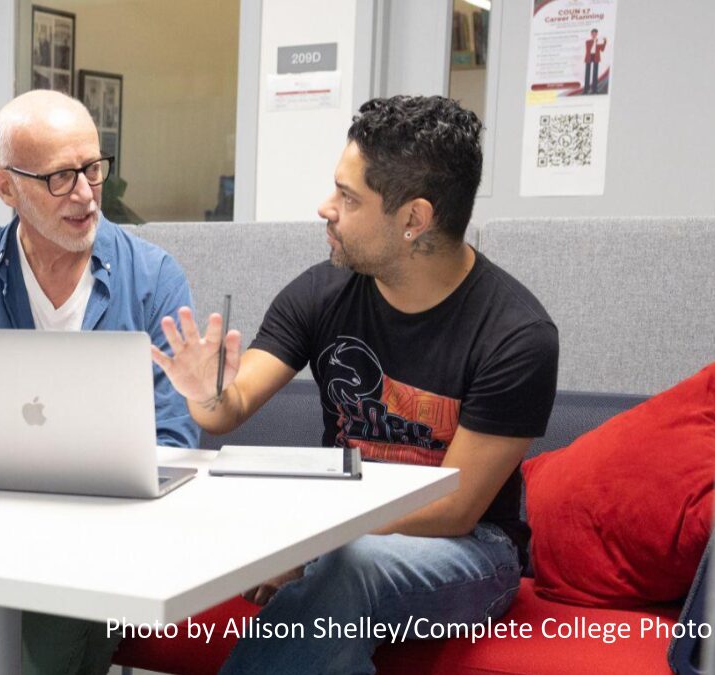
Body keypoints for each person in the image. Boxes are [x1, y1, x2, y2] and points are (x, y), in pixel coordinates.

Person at [152, 95, 559, 674]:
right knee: (340, 576)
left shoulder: (516, 334)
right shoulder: (321, 293)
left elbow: (453, 507)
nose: (325, 209)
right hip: (345, 536)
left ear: (414, 220)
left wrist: (310, 544)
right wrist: (205, 389)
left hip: (473, 555)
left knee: (349, 566)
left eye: (347, 197)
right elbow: (228, 409)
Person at [0, 89, 199, 674]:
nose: (87, 194)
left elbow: (175, 434)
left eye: (93, 168)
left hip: (114, 522)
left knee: (60, 590)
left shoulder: (152, 275)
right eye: (61, 178)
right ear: (5, 188)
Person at [584, 29, 608, 94]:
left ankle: (594, 89)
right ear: (591, 34)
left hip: (596, 57)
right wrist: (595, 41)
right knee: (587, 74)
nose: (594, 34)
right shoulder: (588, 41)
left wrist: (604, 42)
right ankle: (586, 89)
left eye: (595, 33)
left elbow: (602, 49)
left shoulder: (599, 41)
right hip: (589, 57)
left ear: (597, 34)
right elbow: (589, 49)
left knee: (595, 73)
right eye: (593, 33)